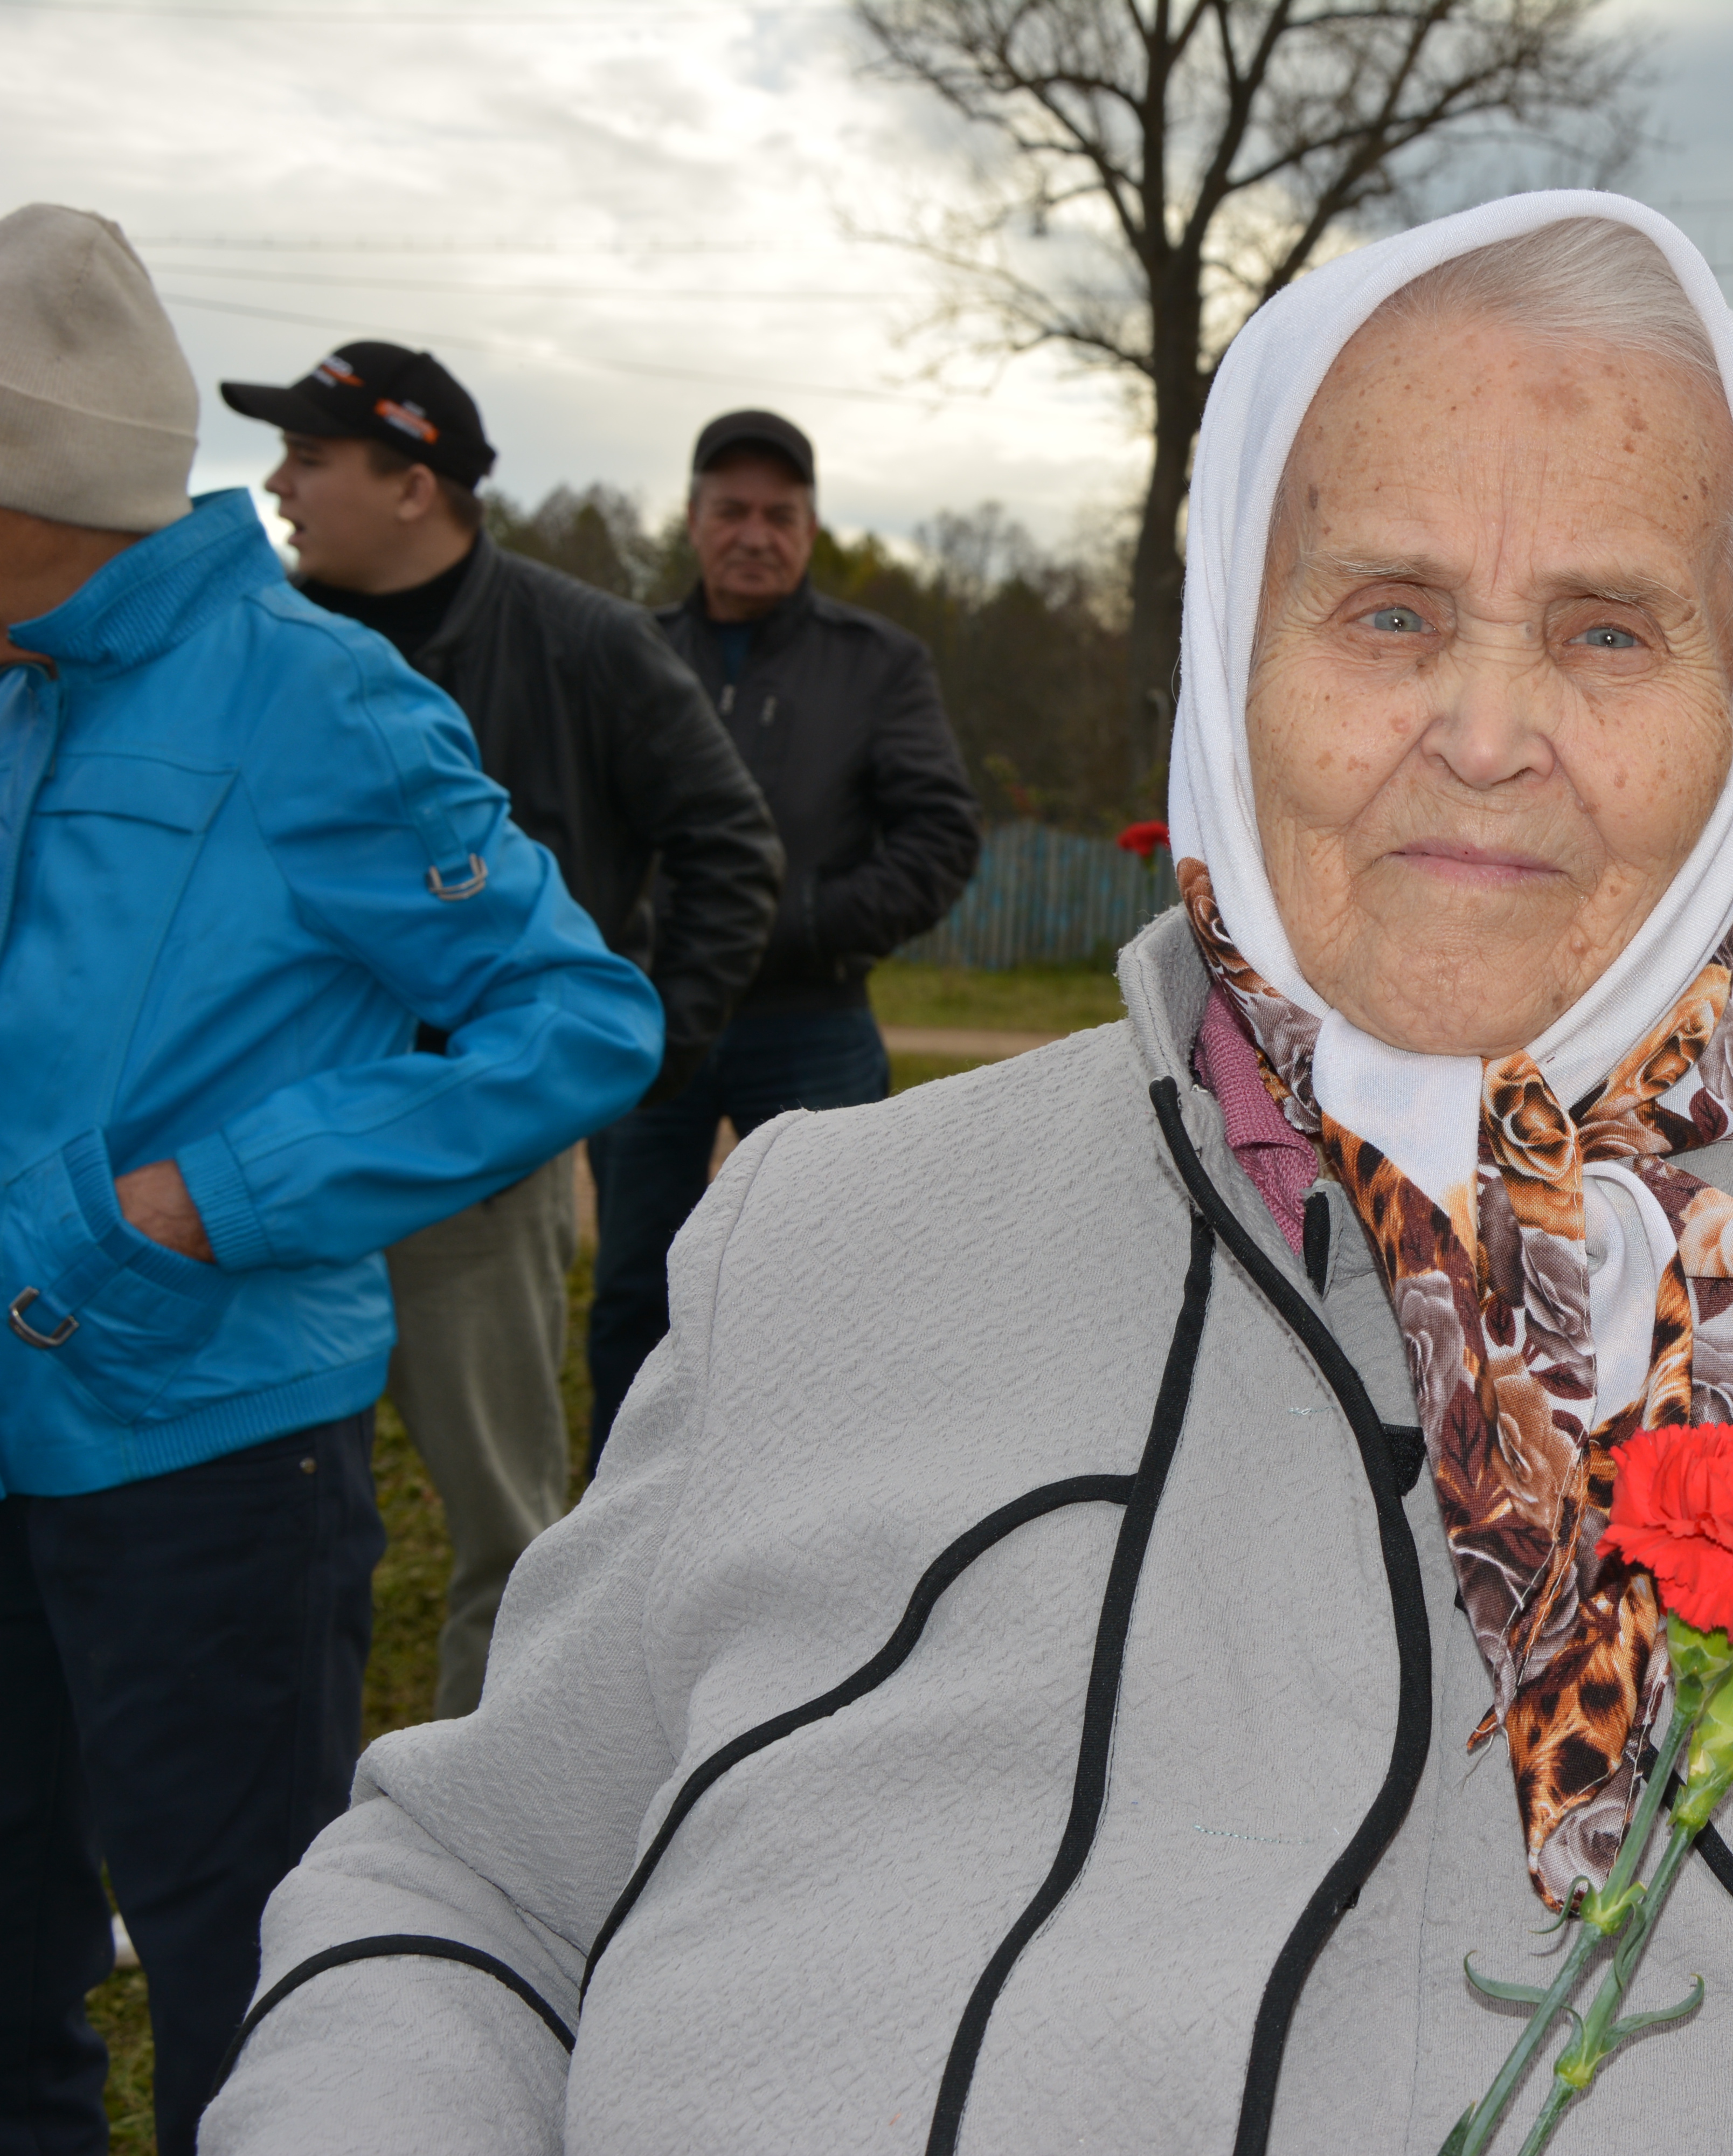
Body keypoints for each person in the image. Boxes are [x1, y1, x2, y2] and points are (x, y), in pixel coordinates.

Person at [209, 197, 1733, 2156]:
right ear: (1229, 664)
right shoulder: (825, 1242)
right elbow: (463, 1908)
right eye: (1386, 609)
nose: (1484, 727)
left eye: (1605, 627)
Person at [0, 205, 661, 2156]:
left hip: (203, 1450)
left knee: (242, 1984)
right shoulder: (22, 678)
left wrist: (207, 1198)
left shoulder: (319, 697)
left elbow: (572, 1022)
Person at [221, 342, 784, 1717]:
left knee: (510, 1534)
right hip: (271, 1164)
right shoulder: (262, 651)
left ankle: (494, 1840)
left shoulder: (582, 643)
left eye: (311, 457)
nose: (280, 484)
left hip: (470, 1168)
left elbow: (729, 842)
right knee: (272, 1522)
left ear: (415, 484)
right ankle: (287, 1828)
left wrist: (631, 1062)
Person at [583, 409, 979, 1463]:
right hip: (649, 1030)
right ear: (694, 519)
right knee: (635, 1286)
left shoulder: (878, 664)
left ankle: (823, 1503)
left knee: (829, 1283)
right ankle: (622, 1526)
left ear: (808, 526)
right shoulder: (628, 652)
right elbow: (579, 829)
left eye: (779, 513)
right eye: (731, 510)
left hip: (812, 1023)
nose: (754, 532)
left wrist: (792, 925)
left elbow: (939, 834)